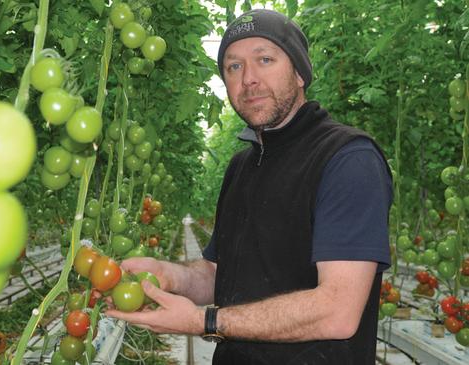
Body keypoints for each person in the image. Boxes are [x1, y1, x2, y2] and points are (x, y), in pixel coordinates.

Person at [106, 8, 392, 365]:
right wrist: (168, 275)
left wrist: (203, 321)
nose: (249, 79)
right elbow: (219, 276)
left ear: (300, 73)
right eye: (234, 67)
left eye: (265, 59)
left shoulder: (347, 159)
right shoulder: (243, 165)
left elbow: (337, 311)